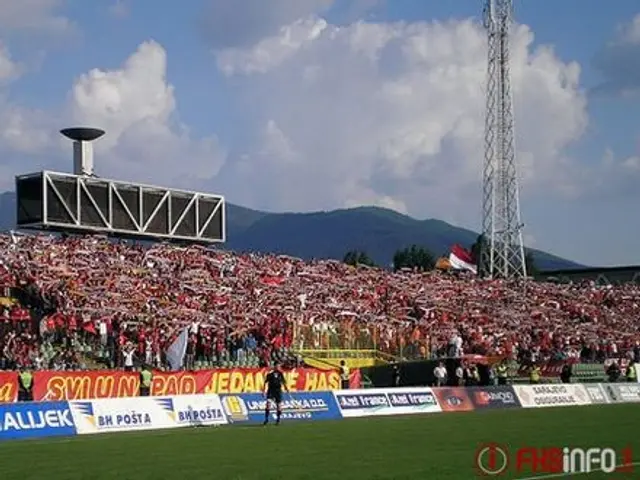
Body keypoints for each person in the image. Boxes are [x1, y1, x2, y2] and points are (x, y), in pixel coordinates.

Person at [264, 361, 289, 426]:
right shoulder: (270, 373)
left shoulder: (281, 373)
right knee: (268, 404)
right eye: (277, 366)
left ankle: (278, 419)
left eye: (279, 366)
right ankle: (266, 419)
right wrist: (264, 391)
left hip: (278, 391)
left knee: (279, 406)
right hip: (271, 390)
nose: (278, 367)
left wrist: (286, 388)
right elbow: (266, 382)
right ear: (274, 366)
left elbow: (283, 382)